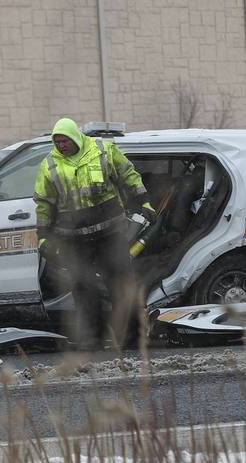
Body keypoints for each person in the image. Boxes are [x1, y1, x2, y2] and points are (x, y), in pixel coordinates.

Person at [34, 117, 156, 350]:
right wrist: (43, 236)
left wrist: (144, 203)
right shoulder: (49, 166)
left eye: (64, 140)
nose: (61, 145)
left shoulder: (103, 151)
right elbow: (44, 204)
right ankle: (92, 339)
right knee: (84, 290)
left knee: (120, 285)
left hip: (109, 235)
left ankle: (133, 338)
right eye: (57, 141)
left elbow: (129, 176)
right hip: (75, 240)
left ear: (75, 137)